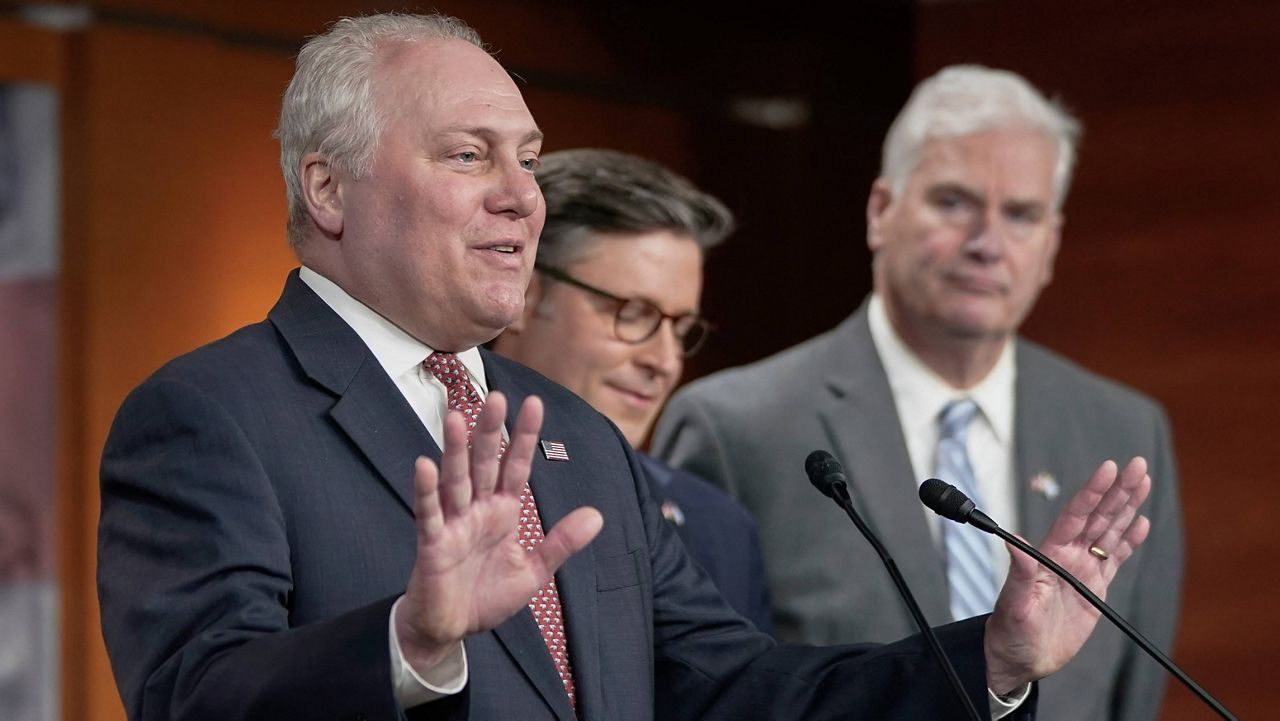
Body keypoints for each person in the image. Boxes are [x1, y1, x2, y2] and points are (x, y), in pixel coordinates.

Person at [97, 16, 1153, 721]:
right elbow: (194, 694)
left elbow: (735, 687)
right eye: (470, 156)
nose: (523, 195)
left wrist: (991, 658)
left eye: (528, 156)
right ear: (327, 190)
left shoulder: (572, 433)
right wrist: (407, 642)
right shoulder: (209, 414)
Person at [653, 65, 1183, 721]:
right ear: (881, 211)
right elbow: (705, 691)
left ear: (1051, 245)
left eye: (1021, 214)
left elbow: (1131, 697)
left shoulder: (1124, 431)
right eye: (954, 202)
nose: (987, 243)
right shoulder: (737, 428)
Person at [490, 147, 771, 632]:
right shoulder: (416, 474)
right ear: (524, 294)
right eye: (633, 314)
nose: (664, 362)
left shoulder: (719, 529)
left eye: (680, 328)